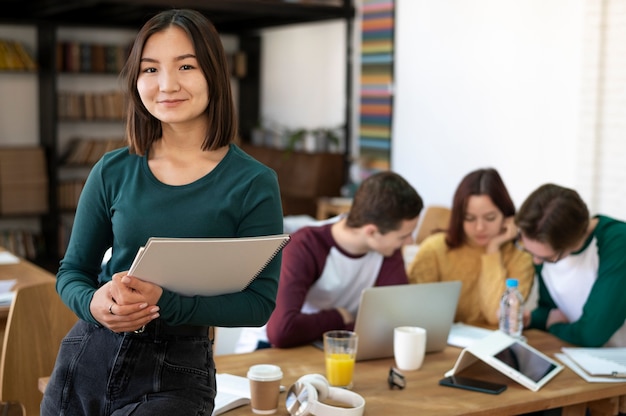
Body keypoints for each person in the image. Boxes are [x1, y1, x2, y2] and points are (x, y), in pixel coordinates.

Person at [41, 9, 283, 416]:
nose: (166, 84)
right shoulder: (112, 170)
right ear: (136, 81)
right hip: (89, 354)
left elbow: (258, 305)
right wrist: (95, 303)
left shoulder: (253, 183)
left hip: (178, 369)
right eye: (150, 69)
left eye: (185, 66)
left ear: (213, 74)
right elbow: (72, 273)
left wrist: (165, 303)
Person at [266, 171, 424, 348]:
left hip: (333, 347)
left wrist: (345, 325)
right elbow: (281, 331)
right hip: (272, 350)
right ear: (371, 232)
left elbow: (395, 321)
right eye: (404, 236)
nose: (410, 242)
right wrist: (338, 317)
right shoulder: (305, 246)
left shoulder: (387, 248)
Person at [407, 168, 534, 327]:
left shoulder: (520, 255)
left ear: (506, 216)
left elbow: (496, 317)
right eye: (469, 218)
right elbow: (413, 314)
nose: (479, 227)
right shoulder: (435, 249)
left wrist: (493, 249)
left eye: (490, 218)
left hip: (494, 347)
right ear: (458, 218)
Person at [516, 183, 626, 347]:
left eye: (546, 258)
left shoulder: (617, 242)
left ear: (573, 242)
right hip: (578, 355)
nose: (535, 262)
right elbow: (551, 309)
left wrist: (554, 326)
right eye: (528, 250)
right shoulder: (543, 249)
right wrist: (530, 318)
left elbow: (592, 334)